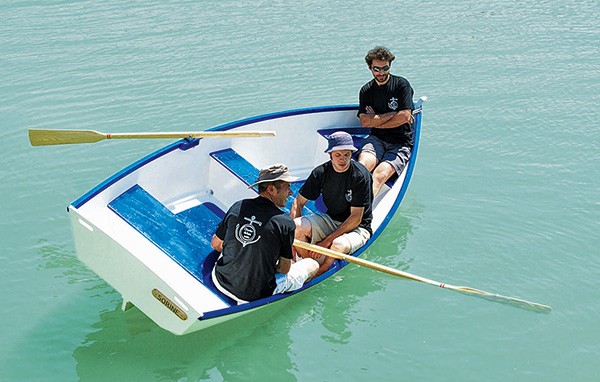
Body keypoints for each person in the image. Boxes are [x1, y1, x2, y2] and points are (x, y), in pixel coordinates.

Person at [211, 164, 319, 303]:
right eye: (287, 188)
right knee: (312, 264)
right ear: (271, 189)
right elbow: (284, 269)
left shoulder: (238, 206)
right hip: (254, 294)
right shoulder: (285, 223)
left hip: (220, 280)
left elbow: (216, 244)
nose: (291, 193)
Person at [291, 131, 373, 276]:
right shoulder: (321, 173)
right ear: (330, 155)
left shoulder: (359, 176)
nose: (343, 159)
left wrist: (327, 241)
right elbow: (298, 202)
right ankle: (309, 262)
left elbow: (356, 218)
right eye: (338, 155)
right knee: (296, 226)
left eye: (347, 155)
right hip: (331, 220)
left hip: (358, 227)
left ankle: (321, 271)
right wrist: (289, 239)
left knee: (338, 244)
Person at [357, 46, 416, 196]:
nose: (381, 73)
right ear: (370, 67)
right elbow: (364, 122)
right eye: (376, 69)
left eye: (385, 68)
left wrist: (375, 119)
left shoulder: (401, 85)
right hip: (376, 139)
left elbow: (404, 117)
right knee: (361, 168)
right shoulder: (366, 91)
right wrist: (392, 114)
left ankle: (362, 215)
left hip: (401, 143)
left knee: (379, 175)